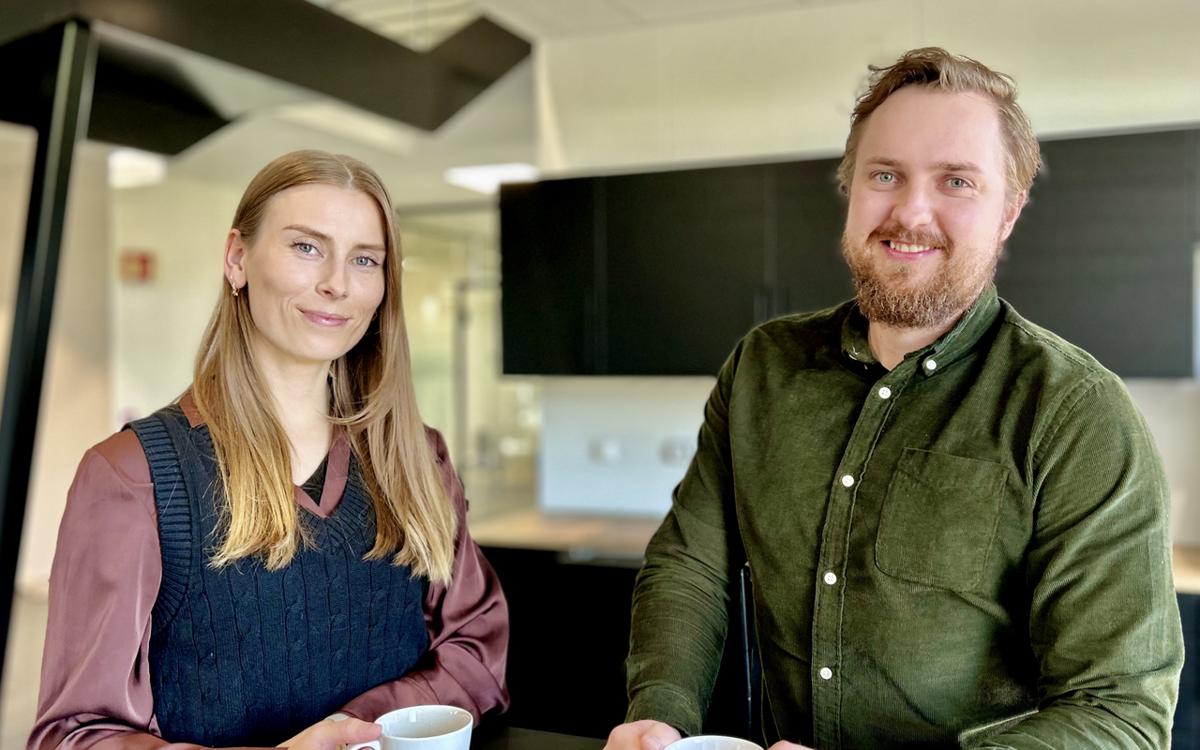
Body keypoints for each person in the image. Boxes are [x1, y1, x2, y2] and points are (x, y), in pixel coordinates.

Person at [605, 48, 1183, 750]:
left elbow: (1119, 714)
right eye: (885, 174)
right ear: (851, 189)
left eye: (957, 181)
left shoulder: (1076, 415)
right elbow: (690, 562)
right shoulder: (762, 367)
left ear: (1008, 212)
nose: (910, 211)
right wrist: (660, 708)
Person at [29, 150, 509, 750]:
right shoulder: (134, 477)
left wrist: (355, 730)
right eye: (306, 247)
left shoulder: (417, 459)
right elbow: (78, 735)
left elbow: (475, 653)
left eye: (365, 260)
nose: (336, 283)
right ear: (238, 259)